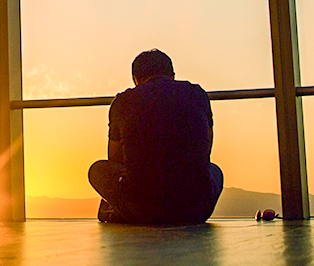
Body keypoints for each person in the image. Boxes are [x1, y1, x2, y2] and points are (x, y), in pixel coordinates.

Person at [88, 49, 224, 225]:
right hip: (196, 208)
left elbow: (115, 159)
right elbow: (206, 151)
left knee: (97, 170)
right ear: (172, 75)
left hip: (144, 210)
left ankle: (121, 211)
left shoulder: (123, 101)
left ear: (136, 79)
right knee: (215, 170)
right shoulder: (198, 95)